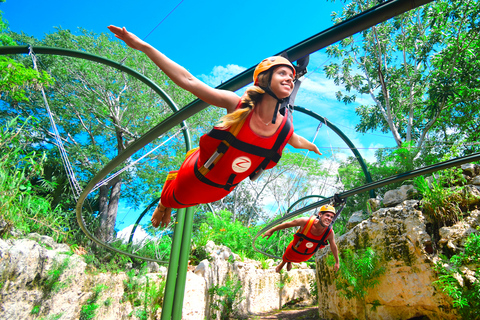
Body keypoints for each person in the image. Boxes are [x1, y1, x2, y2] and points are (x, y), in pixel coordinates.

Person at [108, 26, 322, 228]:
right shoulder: (236, 105)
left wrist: (310, 146)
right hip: (195, 179)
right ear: (265, 79)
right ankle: (163, 204)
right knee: (172, 199)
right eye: (282, 74)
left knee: (187, 202)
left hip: (221, 190)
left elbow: (294, 139)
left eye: (292, 76)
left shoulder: (284, 126)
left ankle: (169, 201)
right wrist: (143, 46)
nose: (290, 79)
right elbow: (188, 80)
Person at [262, 205, 340, 273]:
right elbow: (287, 224)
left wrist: (337, 261)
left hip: (306, 256)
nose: (329, 218)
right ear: (320, 214)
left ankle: (289, 262)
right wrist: (272, 230)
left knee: (291, 258)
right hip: (294, 250)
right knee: (286, 257)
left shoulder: (329, 232)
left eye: (331, 217)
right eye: (327, 215)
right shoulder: (305, 221)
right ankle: (284, 263)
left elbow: (333, 246)